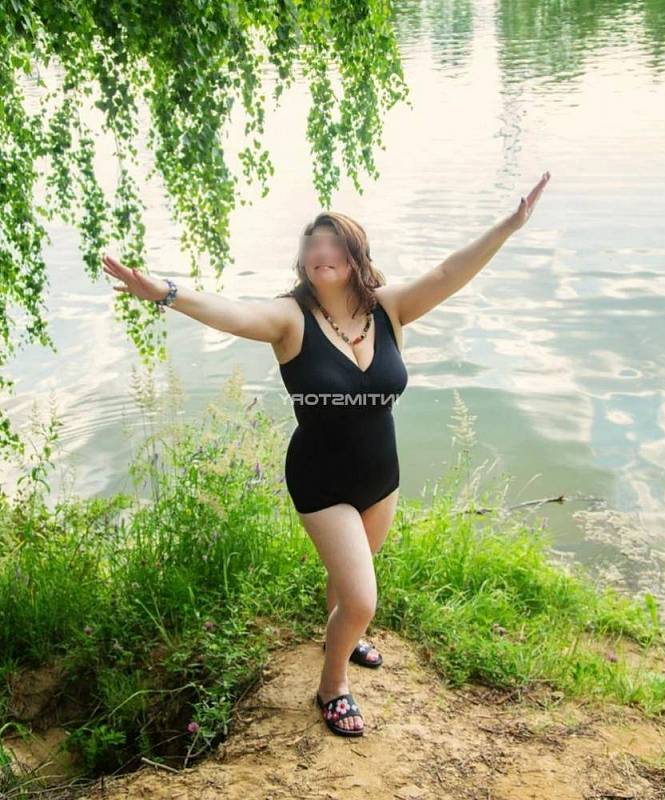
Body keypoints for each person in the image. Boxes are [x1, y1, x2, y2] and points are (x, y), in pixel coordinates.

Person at [101, 171, 550, 737]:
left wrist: (508, 226)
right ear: (303, 260)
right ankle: (332, 684)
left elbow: (448, 272)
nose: (320, 252)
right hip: (320, 480)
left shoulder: (389, 308)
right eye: (311, 244)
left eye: (333, 242)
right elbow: (230, 310)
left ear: (356, 255)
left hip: (381, 478)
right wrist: (167, 293)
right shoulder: (289, 317)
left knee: (346, 582)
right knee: (361, 599)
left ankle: (343, 633)